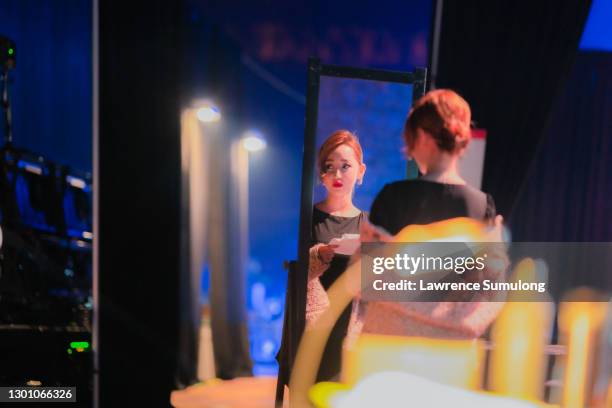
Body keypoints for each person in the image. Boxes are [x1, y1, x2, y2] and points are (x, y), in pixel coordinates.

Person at [352, 88, 505, 340]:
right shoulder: (482, 205)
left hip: (392, 343)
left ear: (422, 137)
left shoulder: (393, 197)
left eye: (410, 142)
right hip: (449, 348)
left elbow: (366, 279)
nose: (410, 152)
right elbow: (484, 289)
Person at [306, 129, 366, 381]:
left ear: (360, 171)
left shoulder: (367, 224)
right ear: (321, 174)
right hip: (311, 326)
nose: (337, 174)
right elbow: (293, 270)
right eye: (329, 167)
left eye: (345, 166)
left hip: (349, 326)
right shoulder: (308, 217)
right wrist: (318, 253)